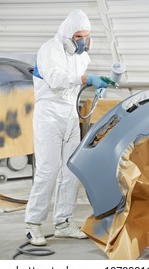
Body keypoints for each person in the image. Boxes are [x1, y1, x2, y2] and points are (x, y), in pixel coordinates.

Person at [24, 9, 108, 246]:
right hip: (49, 114)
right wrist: (86, 79)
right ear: (68, 34)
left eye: (86, 36)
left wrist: (94, 84)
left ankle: (63, 223)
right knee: (48, 170)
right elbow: (56, 79)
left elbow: (76, 81)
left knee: (70, 171)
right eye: (79, 36)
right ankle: (33, 225)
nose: (83, 41)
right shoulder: (49, 49)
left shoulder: (81, 57)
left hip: (70, 114)